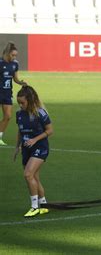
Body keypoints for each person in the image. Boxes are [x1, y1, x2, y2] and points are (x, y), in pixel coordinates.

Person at [12, 86, 52, 218]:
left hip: (40, 147)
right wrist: (17, 147)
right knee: (34, 178)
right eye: (19, 103)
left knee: (28, 175)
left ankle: (34, 207)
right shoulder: (19, 114)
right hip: (26, 149)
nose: (21, 105)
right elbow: (20, 131)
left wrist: (35, 139)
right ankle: (44, 204)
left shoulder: (40, 113)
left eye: (23, 102)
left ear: (30, 100)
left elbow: (49, 131)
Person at [0, 42, 27, 146]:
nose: (14, 57)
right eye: (13, 55)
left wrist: (20, 82)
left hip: (7, 93)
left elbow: (15, 78)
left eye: (16, 55)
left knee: (7, 116)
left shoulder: (15, 64)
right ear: (7, 53)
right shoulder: (0, 63)